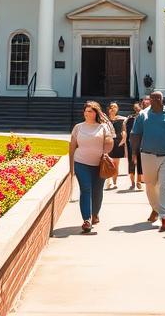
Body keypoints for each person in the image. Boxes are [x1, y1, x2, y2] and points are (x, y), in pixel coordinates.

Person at [129, 90, 165, 231]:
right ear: (149, 100)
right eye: (153, 98)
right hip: (148, 155)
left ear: (162, 99)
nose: (156, 100)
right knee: (150, 185)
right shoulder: (143, 115)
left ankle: (164, 217)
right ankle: (155, 208)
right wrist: (134, 153)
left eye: (158, 98)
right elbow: (136, 134)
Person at [68, 100, 115, 234]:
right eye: (86, 111)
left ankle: (95, 214)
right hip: (81, 163)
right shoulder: (78, 127)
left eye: (90, 111)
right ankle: (86, 220)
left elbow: (109, 142)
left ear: (96, 113)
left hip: (99, 165)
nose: (87, 113)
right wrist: (71, 167)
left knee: (97, 190)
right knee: (86, 189)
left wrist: (106, 152)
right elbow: (72, 147)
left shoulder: (103, 127)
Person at [106, 102, 127, 189]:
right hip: (108, 142)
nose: (113, 109)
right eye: (112, 107)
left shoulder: (121, 119)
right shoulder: (105, 120)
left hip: (117, 142)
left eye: (115, 107)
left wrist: (124, 139)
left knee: (116, 164)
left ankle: (114, 182)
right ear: (109, 109)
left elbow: (124, 129)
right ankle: (108, 181)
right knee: (107, 163)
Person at [124, 102, 144, 190]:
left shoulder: (144, 118)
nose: (137, 110)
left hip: (141, 143)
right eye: (136, 109)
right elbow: (124, 127)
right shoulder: (129, 118)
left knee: (140, 163)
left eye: (138, 109)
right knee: (132, 163)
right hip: (131, 143)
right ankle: (133, 183)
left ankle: (138, 182)